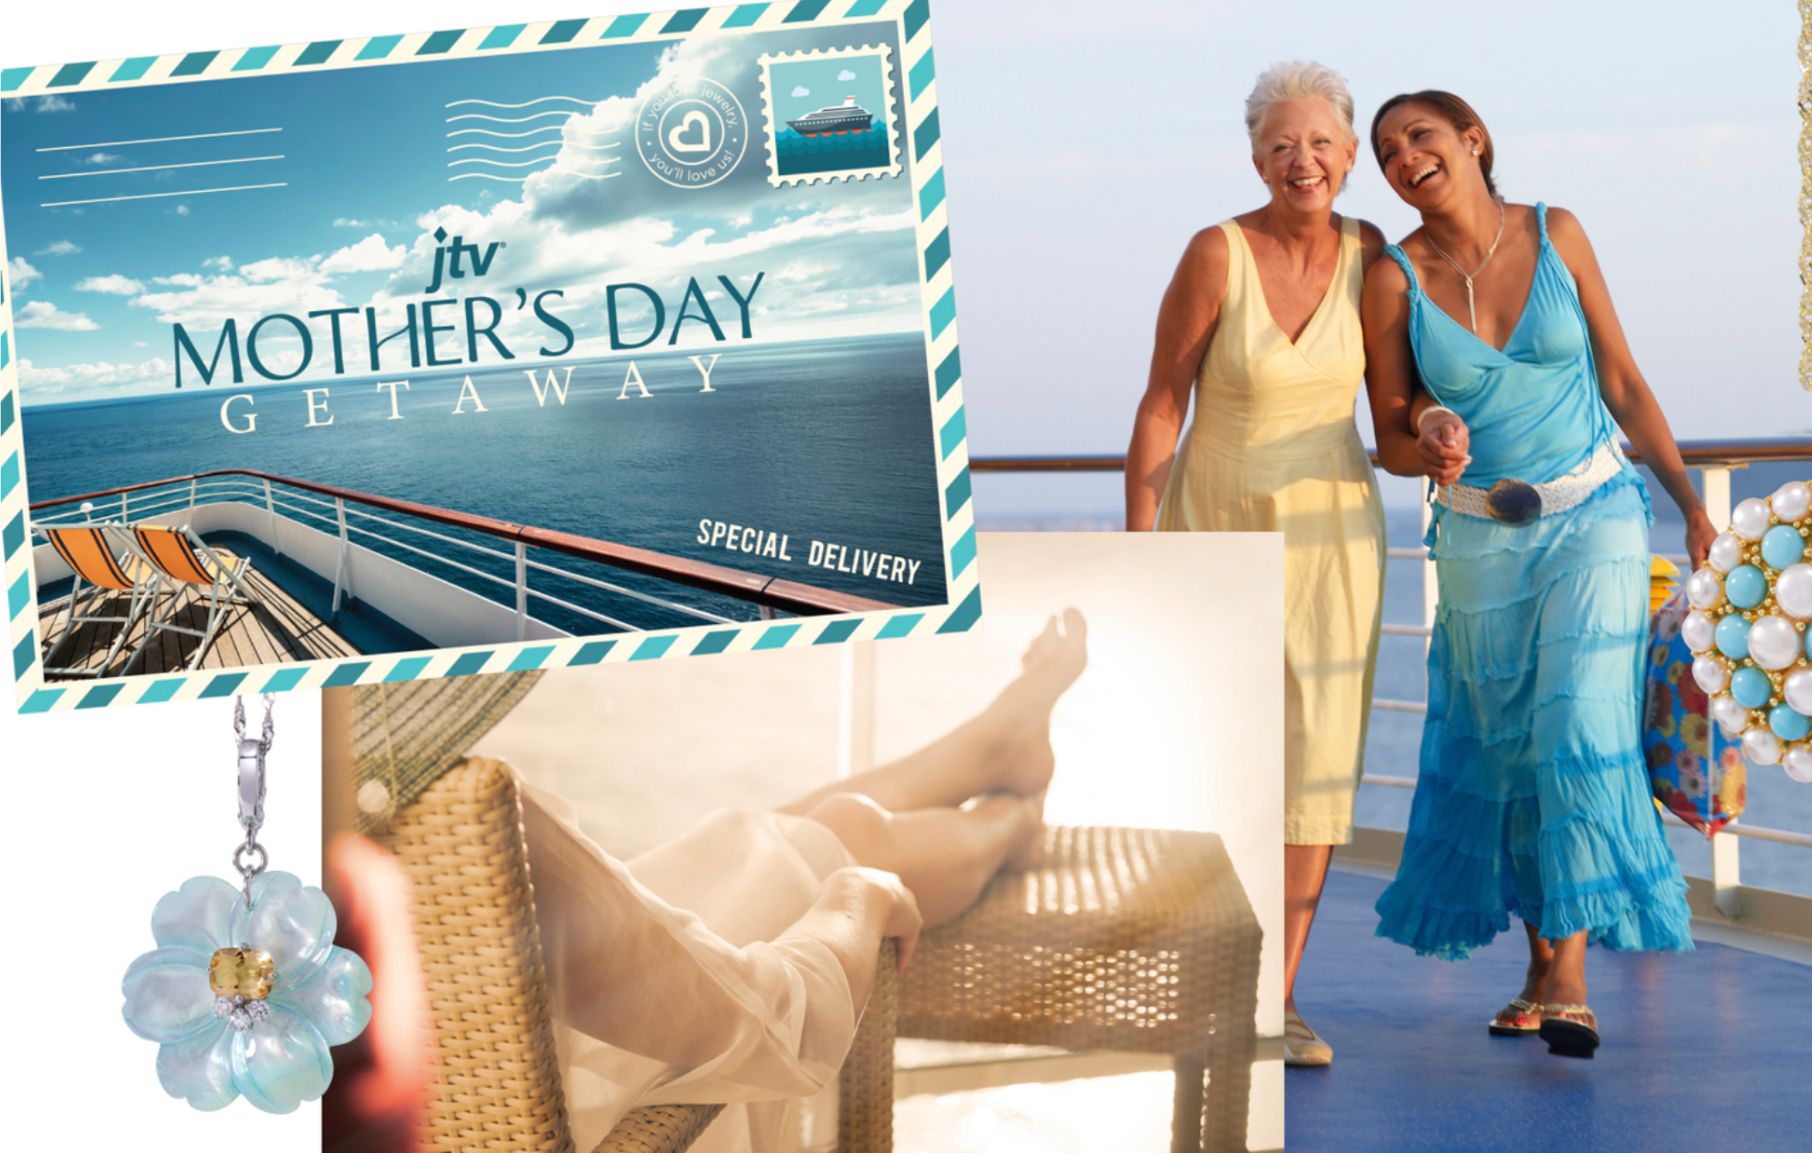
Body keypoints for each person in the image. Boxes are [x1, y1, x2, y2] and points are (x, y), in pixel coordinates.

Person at [338, 611, 1088, 1150]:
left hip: (503, 1090)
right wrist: (860, 894)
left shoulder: (334, 846)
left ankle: (997, 749)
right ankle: (1011, 822)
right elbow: (771, 1021)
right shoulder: (490, 829)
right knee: (839, 844)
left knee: (763, 839)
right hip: (600, 1112)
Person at [1360, 90, 1710, 1058]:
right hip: (1478, 535)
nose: (1402, 158)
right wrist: (1427, 435)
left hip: (1595, 514)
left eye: (1419, 137)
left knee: (1574, 719)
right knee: (1509, 744)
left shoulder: (1556, 230)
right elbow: (1388, 432)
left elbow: (1623, 381)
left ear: (1470, 140)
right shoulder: (1390, 279)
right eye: (1385, 152)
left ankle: (1568, 977)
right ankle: (1535, 965)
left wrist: (1686, 502)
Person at [1124, 60, 1387, 1067]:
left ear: (1349, 155)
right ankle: (1192, 977)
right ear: (1252, 157)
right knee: (1206, 745)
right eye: (1280, 144)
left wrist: (1442, 434)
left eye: (1319, 142)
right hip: (1215, 519)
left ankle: (1270, 1004)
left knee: (1314, 759)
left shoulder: (1374, 257)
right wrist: (1140, 547)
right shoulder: (1214, 252)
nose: (1300, 160)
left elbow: (1399, 404)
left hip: (1332, 537)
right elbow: (1161, 402)